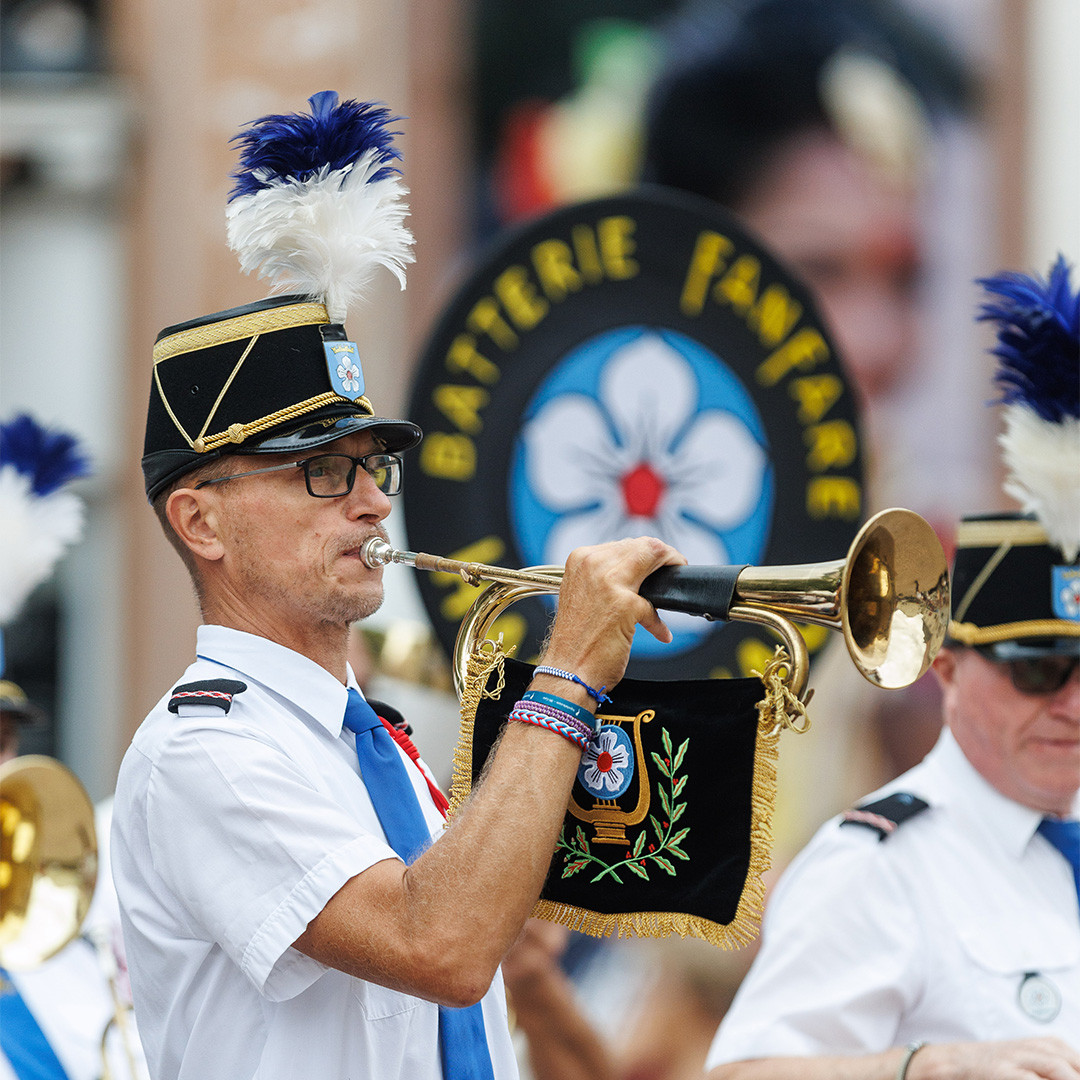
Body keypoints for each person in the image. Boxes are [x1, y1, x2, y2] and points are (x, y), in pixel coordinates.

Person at [110, 91, 685, 1080]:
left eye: (376, 466)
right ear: (200, 520)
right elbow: (438, 946)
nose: (372, 503)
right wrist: (569, 676)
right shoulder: (203, 751)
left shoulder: (378, 746)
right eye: (322, 470)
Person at [703, 259, 1080, 1076]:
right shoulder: (877, 865)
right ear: (947, 668)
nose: (1073, 704)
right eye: (1040, 668)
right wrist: (926, 1067)